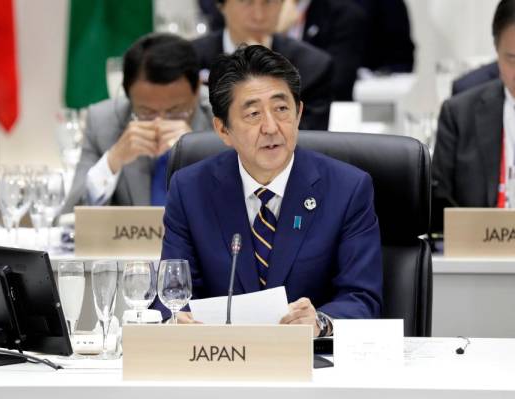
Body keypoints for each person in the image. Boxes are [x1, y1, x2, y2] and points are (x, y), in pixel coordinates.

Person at [155, 45, 382, 336]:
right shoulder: (190, 190)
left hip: (314, 366)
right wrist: (177, 319)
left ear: (299, 113)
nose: (271, 127)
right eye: (252, 114)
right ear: (223, 129)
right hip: (220, 361)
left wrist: (321, 323)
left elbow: (363, 298)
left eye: (281, 109)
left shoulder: (348, 189)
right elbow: (171, 295)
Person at [432, 0, 515, 232]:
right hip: (478, 261)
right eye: (512, 59)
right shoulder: (459, 115)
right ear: (496, 49)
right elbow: (437, 211)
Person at [62, 33, 213, 213]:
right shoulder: (103, 122)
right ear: (128, 96)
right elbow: (69, 220)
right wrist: (112, 161)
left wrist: (197, 152)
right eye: (147, 112)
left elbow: (245, 211)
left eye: (175, 111)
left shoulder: (227, 117)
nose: (160, 123)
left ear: (197, 89)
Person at [192, 0, 333, 131]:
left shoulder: (312, 65)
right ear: (220, 4)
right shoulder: (193, 58)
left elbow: (311, 141)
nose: (258, 15)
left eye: (268, 2)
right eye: (247, 2)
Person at [275, 0, 369, 101]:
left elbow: (338, 81)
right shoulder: (263, 11)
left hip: (318, 109)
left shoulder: (342, 14)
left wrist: (277, 36)